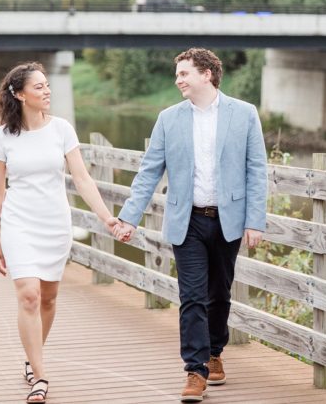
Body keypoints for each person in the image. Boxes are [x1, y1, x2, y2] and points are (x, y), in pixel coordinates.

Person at [114, 48, 268, 403]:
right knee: (192, 297)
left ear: (207, 74)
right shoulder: (169, 118)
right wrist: (129, 217)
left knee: (220, 294)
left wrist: (255, 220)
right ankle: (195, 370)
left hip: (228, 220)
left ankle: (215, 352)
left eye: (184, 73)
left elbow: (257, 170)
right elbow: (149, 171)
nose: (178, 79)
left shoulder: (244, 114)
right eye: (178, 74)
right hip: (188, 221)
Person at [0, 61, 119, 404]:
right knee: (28, 295)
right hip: (18, 222)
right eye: (39, 87)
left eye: (47, 85)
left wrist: (107, 218)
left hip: (54, 223)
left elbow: (83, 178)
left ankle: (32, 359)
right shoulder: (3, 137)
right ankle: (41, 377)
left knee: (47, 298)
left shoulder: (62, 129)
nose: (47, 91)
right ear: (19, 94)